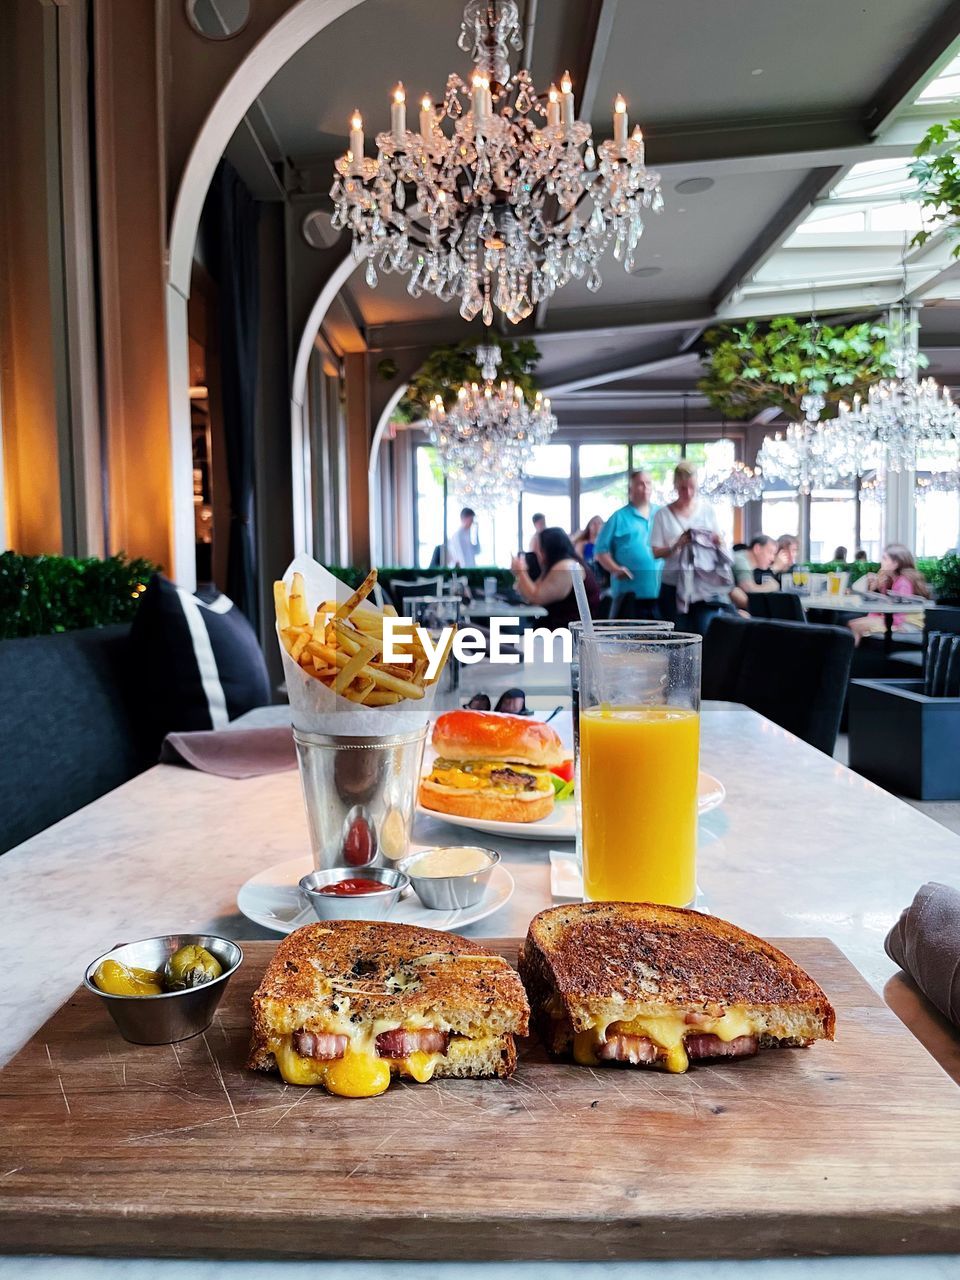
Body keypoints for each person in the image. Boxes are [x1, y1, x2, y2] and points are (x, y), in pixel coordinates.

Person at [651, 461, 729, 631]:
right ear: (675, 486)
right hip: (673, 586)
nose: (688, 492)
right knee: (678, 636)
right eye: (683, 488)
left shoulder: (708, 510)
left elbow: (720, 543)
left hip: (703, 584)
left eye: (692, 487)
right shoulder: (662, 515)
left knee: (706, 633)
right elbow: (655, 553)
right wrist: (676, 545)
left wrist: (716, 541)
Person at [593, 471, 661, 619]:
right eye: (640, 484)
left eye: (648, 483)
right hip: (629, 596)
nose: (645, 487)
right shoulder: (618, 517)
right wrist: (616, 569)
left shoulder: (662, 514)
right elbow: (600, 551)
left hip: (661, 595)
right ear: (630, 489)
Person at [511, 527, 600, 628]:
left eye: (539, 549)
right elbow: (530, 594)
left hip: (566, 634)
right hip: (556, 630)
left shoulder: (566, 567)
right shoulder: (559, 565)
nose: (538, 555)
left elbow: (536, 597)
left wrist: (521, 572)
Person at [847, 543, 931, 646]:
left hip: (907, 624)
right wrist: (874, 589)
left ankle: (850, 660)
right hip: (891, 619)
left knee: (856, 626)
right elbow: (880, 608)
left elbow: (899, 614)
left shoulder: (903, 583)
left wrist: (871, 622)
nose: (881, 561)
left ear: (895, 563)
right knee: (854, 624)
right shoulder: (888, 580)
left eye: (885, 558)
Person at [730, 535, 780, 609]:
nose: (772, 559)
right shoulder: (741, 560)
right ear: (757, 549)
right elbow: (749, 590)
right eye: (770, 552)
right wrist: (771, 586)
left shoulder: (744, 560)